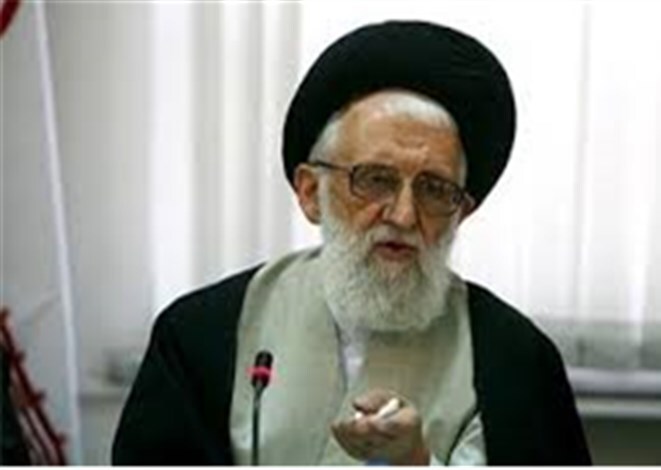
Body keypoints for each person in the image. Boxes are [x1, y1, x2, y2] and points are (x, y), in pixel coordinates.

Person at [112, 20, 591, 465]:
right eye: (375, 179)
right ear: (310, 193)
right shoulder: (201, 336)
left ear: (461, 211)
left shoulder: (516, 362)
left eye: (433, 189)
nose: (403, 215)